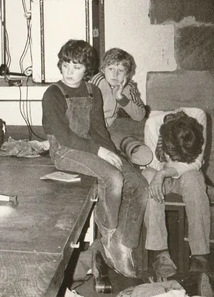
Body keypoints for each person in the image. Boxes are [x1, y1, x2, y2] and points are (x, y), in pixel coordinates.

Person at [41, 39, 148, 278]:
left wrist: (114, 153)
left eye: (77, 66)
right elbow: (66, 137)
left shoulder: (93, 90)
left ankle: (125, 245)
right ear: (60, 64)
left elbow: (99, 131)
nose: (70, 71)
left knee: (139, 183)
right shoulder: (53, 94)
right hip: (65, 152)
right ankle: (109, 238)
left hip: (91, 147)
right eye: (66, 64)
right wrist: (101, 153)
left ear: (86, 70)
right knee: (113, 179)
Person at [142, 108, 212, 277]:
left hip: (181, 174)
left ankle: (200, 255)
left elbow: (196, 162)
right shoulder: (152, 124)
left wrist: (167, 172)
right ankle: (160, 254)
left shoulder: (199, 118)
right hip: (159, 171)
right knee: (149, 178)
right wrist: (162, 172)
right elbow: (151, 162)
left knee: (194, 180)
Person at [89, 48, 152, 165]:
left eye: (121, 71)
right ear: (103, 70)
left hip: (111, 126)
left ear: (127, 74)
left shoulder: (128, 86)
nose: (115, 74)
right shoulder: (98, 82)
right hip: (93, 128)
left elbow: (140, 115)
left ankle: (134, 151)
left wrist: (120, 97)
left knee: (144, 124)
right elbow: (85, 113)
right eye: (111, 69)